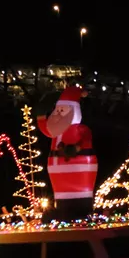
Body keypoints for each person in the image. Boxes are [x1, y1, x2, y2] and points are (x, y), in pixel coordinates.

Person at [37, 86, 97, 220]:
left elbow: (86, 139)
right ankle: (62, 211)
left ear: (74, 110)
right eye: (57, 110)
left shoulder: (81, 129)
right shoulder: (55, 131)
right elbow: (44, 128)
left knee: (81, 203)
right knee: (62, 200)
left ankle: (83, 212)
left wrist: (76, 148)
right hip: (59, 176)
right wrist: (40, 115)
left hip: (81, 172)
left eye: (62, 110)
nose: (58, 113)